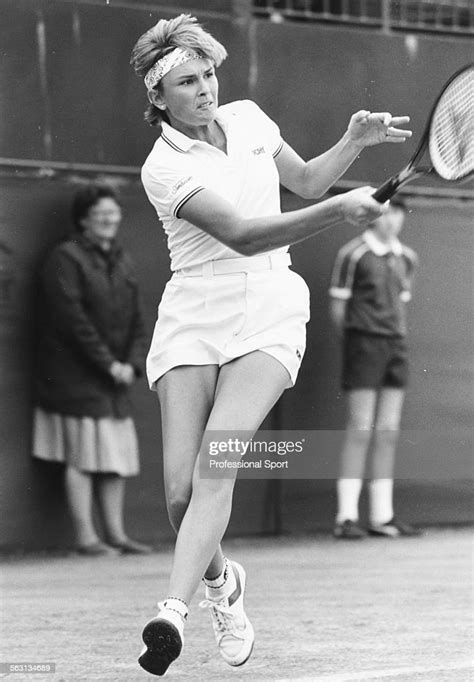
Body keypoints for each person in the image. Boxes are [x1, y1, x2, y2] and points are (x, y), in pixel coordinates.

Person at [129, 13, 412, 676]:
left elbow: (308, 181)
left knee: (217, 463)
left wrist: (350, 143)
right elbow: (247, 233)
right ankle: (225, 582)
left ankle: (174, 608)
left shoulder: (250, 117)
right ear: (157, 96)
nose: (206, 89)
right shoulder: (163, 169)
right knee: (179, 494)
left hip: (269, 306)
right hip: (195, 310)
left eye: (210, 74)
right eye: (189, 80)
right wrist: (343, 209)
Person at [32, 183, 152, 556]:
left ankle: (115, 535)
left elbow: (137, 317)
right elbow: (72, 320)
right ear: (83, 220)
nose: (108, 220)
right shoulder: (64, 258)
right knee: (82, 457)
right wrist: (108, 364)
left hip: (113, 379)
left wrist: (130, 364)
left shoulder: (121, 258)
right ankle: (87, 538)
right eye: (100, 214)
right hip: (76, 378)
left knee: (113, 459)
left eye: (112, 213)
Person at [329, 197, 422, 539]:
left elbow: (400, 307)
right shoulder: (353, 255)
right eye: (387, 211)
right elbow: (338, 311)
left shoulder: (407, 258)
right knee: (360, 429)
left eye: (398, 212)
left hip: (395, 347)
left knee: (387, 431)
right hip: (363, 345)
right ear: (372, 215)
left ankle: (383, 517)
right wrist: (359, 342)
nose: (393, 219)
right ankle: (346, 517)